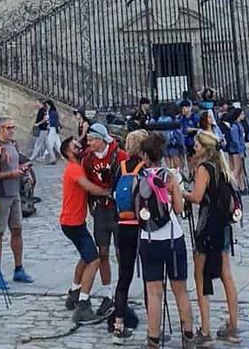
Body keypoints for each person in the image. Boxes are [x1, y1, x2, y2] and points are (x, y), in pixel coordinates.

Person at [138, 131, 195, 348]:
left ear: (145, 155)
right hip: (172, 238)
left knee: (153, 292)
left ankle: (153, 337)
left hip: (148, 238)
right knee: (180, 290)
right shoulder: (170, 178)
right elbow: (179, 209)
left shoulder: (140, 178)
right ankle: (188, 335)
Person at [186, 128, 240, 346]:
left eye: (197, 146)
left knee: (200, 275)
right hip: (223, 226)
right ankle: (233, 326)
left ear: (204, 148)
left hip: (207, 226)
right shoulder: (223, 168)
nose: (194, 148)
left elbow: (198, 197)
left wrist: (181, 193)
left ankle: (205, 328)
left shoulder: (204, 168)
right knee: (227, 275)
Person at [59, 134, 112, 324]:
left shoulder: (77, 166)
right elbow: (89, 187)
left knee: (86, 255)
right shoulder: (73, 169)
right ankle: (83, 303)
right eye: (75, 146)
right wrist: (108, 192)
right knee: (95, 260)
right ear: (68, 152)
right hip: (73, 223)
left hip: (72, 222)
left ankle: (74, 291)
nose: (79, 147)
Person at [0, 116, 34, 290]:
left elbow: (17, 163)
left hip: (14, 195)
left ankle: (18, 268)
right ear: (1, 129)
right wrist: (12, 174)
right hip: (0, 195)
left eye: (13, 127)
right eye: (9, 127)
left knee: (17, 230)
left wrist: (24, 171)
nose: (12, 130)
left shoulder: (13, 146)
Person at [83, 122, 124, 311]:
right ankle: (107, 292)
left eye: (91, 139)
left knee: (121, 252)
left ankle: (122, 292)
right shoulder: (87, 159)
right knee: (103, 252)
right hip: (100, 209)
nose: (88, 142)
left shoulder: (118, 155)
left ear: (101, 139)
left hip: (117, 209)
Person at [110, 129, 146, 341]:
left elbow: (114, 192)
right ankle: (153, 323)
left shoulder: (120, 168)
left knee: (124, 276)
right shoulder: (144, 169)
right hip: (140, 225)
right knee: (150, 278)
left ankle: (119, 322)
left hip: (123, 224)